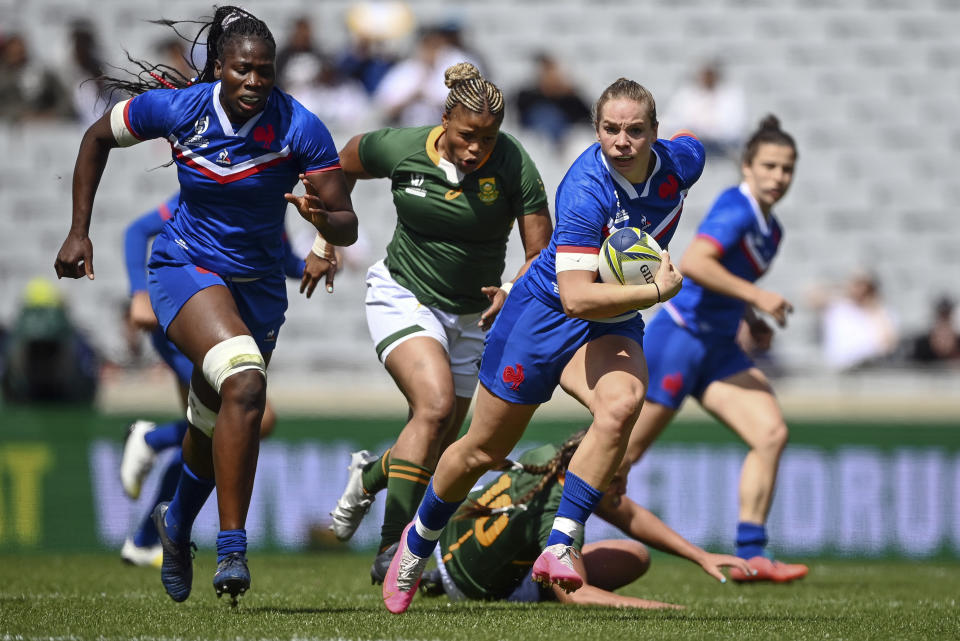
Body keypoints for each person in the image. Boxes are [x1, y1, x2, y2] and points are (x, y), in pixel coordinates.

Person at [53, 6, 357, 604]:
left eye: (265, 72)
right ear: (218, 67)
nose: (254, 82)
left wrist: (328, 224)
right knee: (245, 383)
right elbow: (95, 137)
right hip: (185, 267)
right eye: (243, 69)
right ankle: (233, 548)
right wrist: (78, 230)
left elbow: (344, 219)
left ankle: (173, 523)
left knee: (210, 416)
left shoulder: (300, 127)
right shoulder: (181, 109)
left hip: (259, 287)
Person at [379, 77, 703, 614]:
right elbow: (575, 298)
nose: (621, 141)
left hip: (611, 316)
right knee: (484, 450)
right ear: (596, 128)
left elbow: (694, 142)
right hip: (544, 314)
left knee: (621, 404)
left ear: (655, 133)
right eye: (610, 129)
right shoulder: (584, 188)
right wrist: (657, 291)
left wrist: (637, 296)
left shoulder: (682, 163)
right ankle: (416, 543)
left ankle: (559, 544)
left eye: (635, 130)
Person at [314, 62, 552, 581]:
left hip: (474, 317)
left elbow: (542, 252)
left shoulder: (514, 164)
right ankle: (391, 550)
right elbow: (337, 167)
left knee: (445, 440)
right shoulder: (400, 147)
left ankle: (371, 473)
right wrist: (325, 239)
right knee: (435, 405)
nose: (476, 149)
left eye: (487, 139)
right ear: (445, 120)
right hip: (404, 294)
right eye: (468, 136)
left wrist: (511, 290)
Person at [621, 115, 808, 583]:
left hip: (718, 347)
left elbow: (729, 280)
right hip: (680, 340)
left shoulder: (774, 229)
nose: (777, 177)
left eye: (786, 169)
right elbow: (695, 262)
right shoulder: (737, 208)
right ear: (746, 167)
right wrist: (757, 298)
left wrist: (748, 317)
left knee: (770, 433)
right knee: (620, 457)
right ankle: (542, 529)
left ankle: (752, 554)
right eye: (768, 166)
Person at [118, 193, 317, 567]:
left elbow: (282, 258)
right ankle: (150, 441)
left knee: (205, 432)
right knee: (251, 419)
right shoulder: (212, 183)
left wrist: (317, 260)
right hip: (190, 313)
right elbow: (136, 230)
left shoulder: (270, 194)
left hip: (228, 322)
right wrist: (138, 294)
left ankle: (146, 538)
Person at [419, 430, 752, 608]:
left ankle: (439, 576)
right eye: (617, 479)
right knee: (634, 558)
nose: (624, 489)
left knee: (635, 552)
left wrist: (700, 556)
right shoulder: (558, 516)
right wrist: (662, 607)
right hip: (479, 589)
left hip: (448, 543)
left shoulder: (550, 457)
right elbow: (579, 596)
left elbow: (629, 515)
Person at [514, 52, 592, 150]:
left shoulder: (570, 98)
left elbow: (588, 118)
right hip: (538, 144)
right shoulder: (527, 96)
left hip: (568, 142)